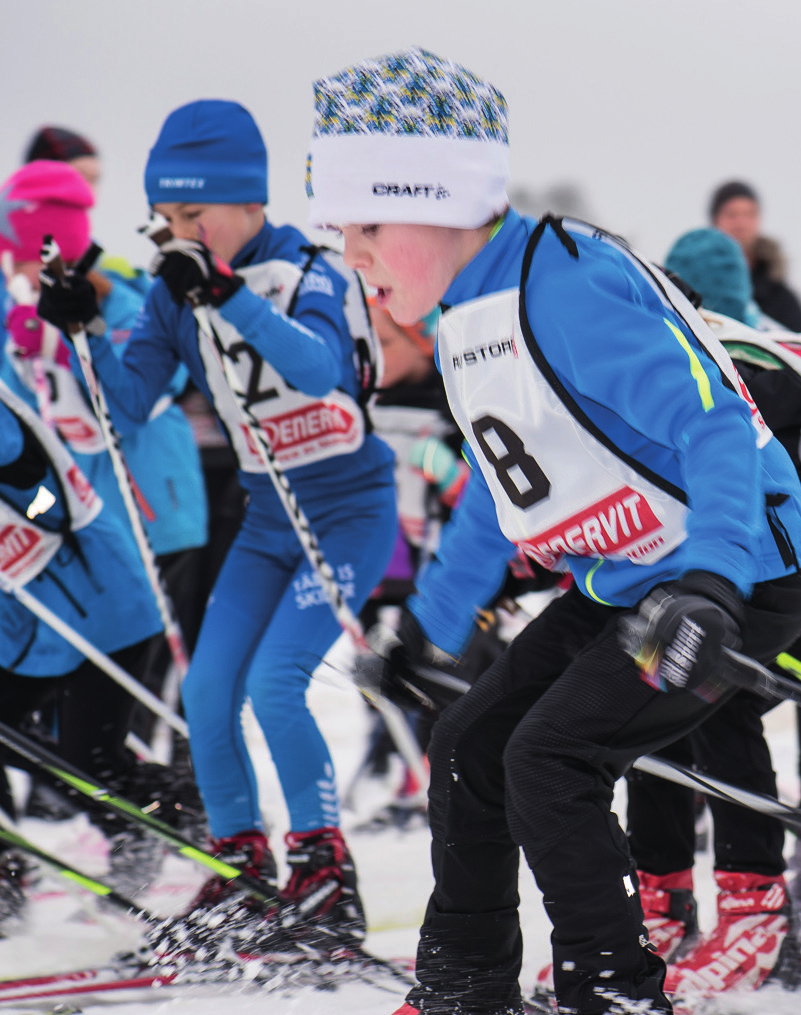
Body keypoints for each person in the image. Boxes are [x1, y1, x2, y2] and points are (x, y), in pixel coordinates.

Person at [304, 47, 801, 1015]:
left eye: (366, 224)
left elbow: (719, 425)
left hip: (742, 568)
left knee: (551, 758)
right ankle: (466, 985)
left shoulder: (563, 278)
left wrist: (713, 582)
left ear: (440, 200)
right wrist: (432, 622)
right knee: (469, 739)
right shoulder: (466, 317)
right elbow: (507, 487)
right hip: (628, 579)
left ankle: (613, 992)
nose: (351, 255)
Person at [36, 99, 398, 957]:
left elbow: (316, 370)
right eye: (166, 218)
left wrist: (227, 295)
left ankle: (322, 870)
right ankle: (241, 861)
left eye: (194, 216)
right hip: (272, 519)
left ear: (247, 203)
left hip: (346, 513)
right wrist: (83, 327)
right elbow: (130, 404)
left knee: (276, 682)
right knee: (205, 691)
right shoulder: (173, 291)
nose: (179, 233)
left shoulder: (310, 267)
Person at [607, 226, 801, 995]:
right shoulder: (666, 352)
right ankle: (660, 891)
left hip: (779, 569)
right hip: (739, 567)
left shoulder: (746, 360)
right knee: (651, 678)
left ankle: (755, 900)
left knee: (707, 691)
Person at [709, 180, 801, 332]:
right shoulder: (693, 288)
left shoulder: (782, 298)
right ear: (715, 220)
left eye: (749, 215)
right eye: (731, 215)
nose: (741, 224)